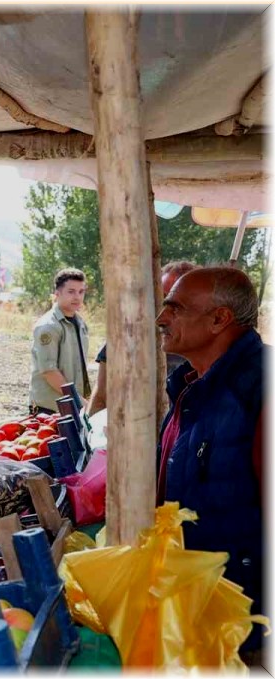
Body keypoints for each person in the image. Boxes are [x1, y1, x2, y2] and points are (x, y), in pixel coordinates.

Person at [154, 267, 265, 660]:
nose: (161, 319)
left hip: (246, 627)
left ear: (219, 319)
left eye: (176, 308)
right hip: (200, 607)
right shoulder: (191, 384)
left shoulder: (258, 386)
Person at [88, 261, 198, 417]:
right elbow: (101, 398)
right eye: (163, 298)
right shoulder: (124, 338)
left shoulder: (210, 348)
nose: (164, 311)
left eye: (178, 303)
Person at [29, 268, 91, 415]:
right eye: (71, 291)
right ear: (57, 294)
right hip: (50, 410)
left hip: (73, 406)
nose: (77, 297)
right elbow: (49, 371)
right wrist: (80, 401)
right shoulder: (48, 326)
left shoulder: (80, 323)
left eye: (81, 292)